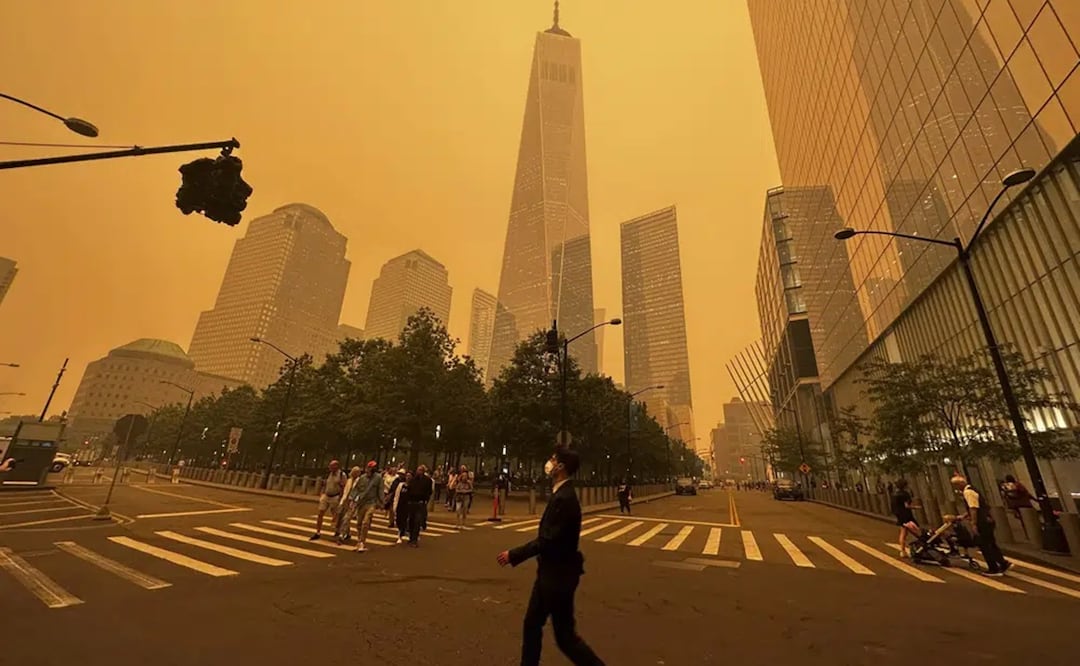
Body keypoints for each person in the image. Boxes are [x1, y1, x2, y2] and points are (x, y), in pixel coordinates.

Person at [497, 446, 604, 666]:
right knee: (534, 625)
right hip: (553, 574)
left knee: (564, 637)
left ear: (561, 467)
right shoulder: (562, 494)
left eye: (553, 459)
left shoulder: (565, 499)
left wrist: (513, 555)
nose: (549, 463)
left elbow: (547, 540)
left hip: (557, 577)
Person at [952, 473, 1010, 576]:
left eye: (955, 485)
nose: (956, 488)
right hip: (987, 519)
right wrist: (964, 516)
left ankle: (994, 568)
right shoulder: (973, 490)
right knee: (991, 543)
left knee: (984, 545)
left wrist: (974, 524)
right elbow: (975, 507)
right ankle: (1002, 563)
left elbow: (973, 508)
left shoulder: (968, 492)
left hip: (982, 521)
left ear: (960, 484)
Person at [348, 461, 384, 552]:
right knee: (359, 523)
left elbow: (380, 490)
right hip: (361, 502)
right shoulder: (362, 478)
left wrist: (381, 502)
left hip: (371, 503)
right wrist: (352, 498)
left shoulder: (378, 478)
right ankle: (359, 540)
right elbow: (356, 489)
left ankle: (362, 542)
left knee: (366, 522)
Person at [310, 460, 347, 541]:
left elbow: (344, 486)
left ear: (336, 466)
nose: (330, 467)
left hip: (335, 496)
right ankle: (318, 532)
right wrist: (322, 493)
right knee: (320, 513)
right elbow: (325, 483)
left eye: (332, 466)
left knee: (335, 515)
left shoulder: (341, 475)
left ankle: (339, 530)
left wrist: (341, 498)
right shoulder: (328, 474)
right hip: (326, 495)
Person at [405, 464, 434, 546]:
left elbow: (429, 491)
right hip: (412, 503)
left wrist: (425, 500)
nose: (419, 472)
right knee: (411, 521)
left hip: (420, 503)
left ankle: (414, 539)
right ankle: (411, 538)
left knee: (417, 521)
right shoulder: (413, 480)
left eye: (421, 470)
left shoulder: (427, 480)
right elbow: (409, 490)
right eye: (418, 470)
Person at [890, 479, 920, 558]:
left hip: (899, 515)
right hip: (906, 515)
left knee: (903, 533)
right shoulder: (905, 494)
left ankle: (903, 551)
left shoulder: (894, 494)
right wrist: (916, 507)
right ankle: (917, 548)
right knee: (917, 531)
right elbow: (906, 506)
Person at [335, 466, 364, 543]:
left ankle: (342, 535)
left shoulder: (360, 481)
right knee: (342, 517)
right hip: (346, 501)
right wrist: (342, 502)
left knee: (346, 518)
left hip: (353, 502)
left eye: (356, 472)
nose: (355, 474)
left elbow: (360, 492)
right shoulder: (349, 480)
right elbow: (345, 492)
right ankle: (347, 533)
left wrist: (356, 500)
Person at [454, 464, 474, 529]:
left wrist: (466, 491)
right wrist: (461, 491)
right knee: (458, 510)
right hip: (459, 497)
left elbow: (471, 489)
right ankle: (457, 524)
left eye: (465, 476)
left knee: (464, 511)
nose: (464, 477)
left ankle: (463, 524)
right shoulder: (459, 483)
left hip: (466, 497)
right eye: (463, 476)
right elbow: (456, 489)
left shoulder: (469, 483)